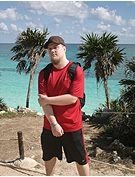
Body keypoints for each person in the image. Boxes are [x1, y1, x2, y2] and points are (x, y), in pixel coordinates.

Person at [38, 36, 90, 176]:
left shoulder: (76, 70)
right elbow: (43, 103)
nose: (52, 51)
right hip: (50, 124)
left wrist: (48, 99)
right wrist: (54, 124)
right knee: (49, 157)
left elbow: (72, 98)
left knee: (81, 159)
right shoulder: (44, 73)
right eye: (49, 48)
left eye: (56, 47)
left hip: (72, 125)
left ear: (64, 48)